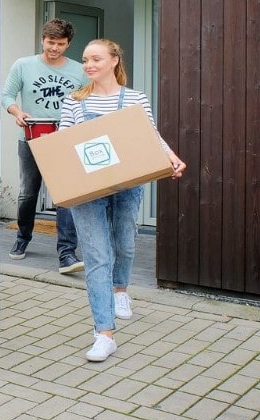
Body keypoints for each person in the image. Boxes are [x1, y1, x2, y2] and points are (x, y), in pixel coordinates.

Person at [58, 38, 186, 362]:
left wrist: (169, 156)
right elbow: (63, 143)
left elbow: (150, 134)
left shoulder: (134, 99)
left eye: (96, 59)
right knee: (97, 256)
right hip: (88, 189)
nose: (88, 65)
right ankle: (104, 333)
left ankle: (120, 290)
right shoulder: (73, 101)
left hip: (128, 183)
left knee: (125, 243)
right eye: (85, 60)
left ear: (114, 60)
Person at [1, 18, 87, 273]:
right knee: (29, 192)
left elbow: (86, 100)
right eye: (51, 42)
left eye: (60, 44)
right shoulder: (23, 65)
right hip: (30, 138)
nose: (54, 48)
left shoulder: (79, 70)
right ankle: (22, 238)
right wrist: (17, 112)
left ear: (68, 44)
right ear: (43, 40)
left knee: (65, 195)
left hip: (64, 138)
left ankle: (67, 254)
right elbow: (6, 95)